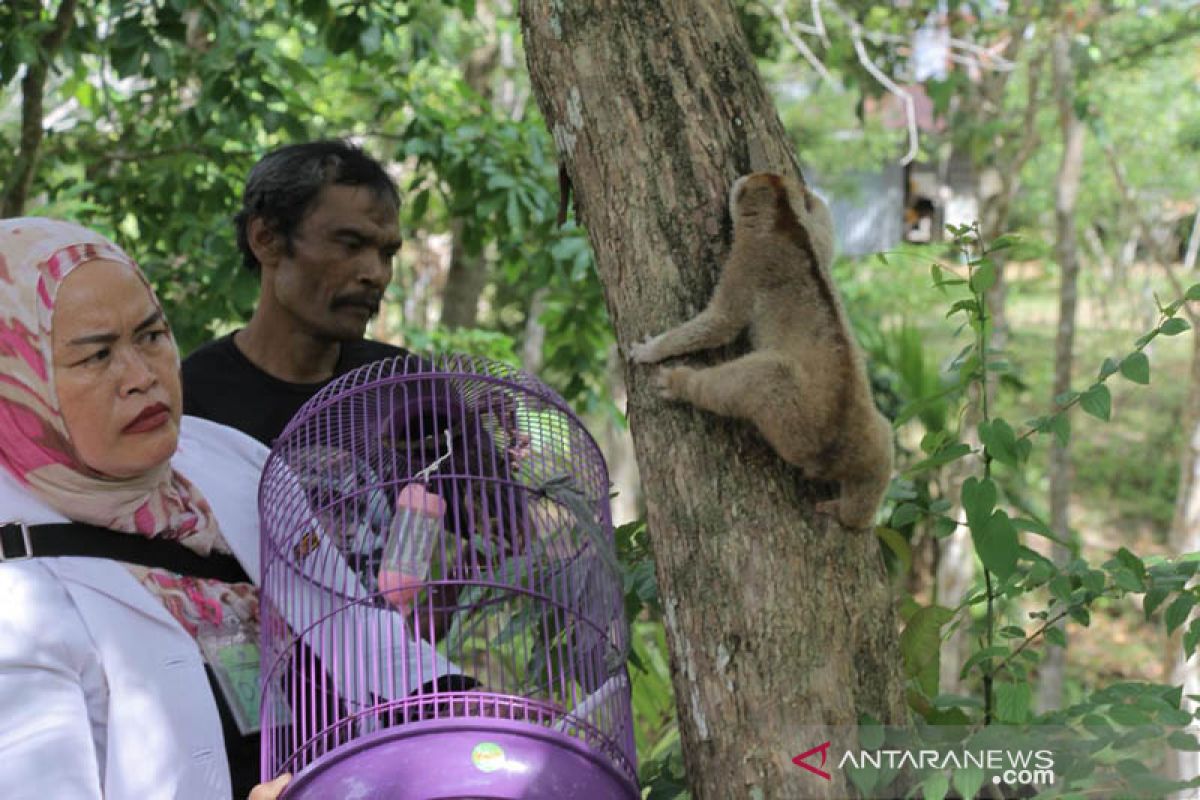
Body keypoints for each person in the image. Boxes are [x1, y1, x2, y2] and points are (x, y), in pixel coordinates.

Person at [0, 218, 289, 799]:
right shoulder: (14, 597)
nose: (141, 377)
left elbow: (361, 635)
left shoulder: (233, 461)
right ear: (17, 380)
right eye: (97, 355)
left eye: (151, 335)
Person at [182, 140, 412, 447]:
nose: (376, 274)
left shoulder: (404, 386)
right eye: (350, 244)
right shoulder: (191, 399)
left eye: (387, 254)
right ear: (265, 239)